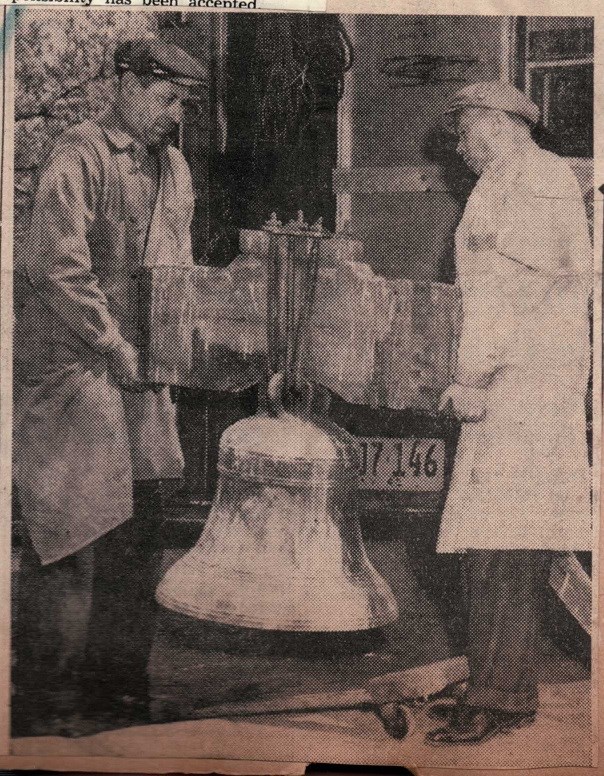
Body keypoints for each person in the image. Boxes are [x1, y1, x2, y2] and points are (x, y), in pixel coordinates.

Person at [12, 39, 207, 737]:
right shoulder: (80, 152)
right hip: (76, 370)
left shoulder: (175, 167)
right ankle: (39, 705)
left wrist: (185, 346)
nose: (175, 116)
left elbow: (176, 268)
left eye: (184, 103)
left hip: (141, 376)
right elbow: (54, 266)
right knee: (71, 537)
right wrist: (112, 341)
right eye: (165, 99)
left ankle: (119, 696)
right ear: (124, 84)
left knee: (142, 531)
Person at [427, 81, 592, 745]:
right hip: (529, 388)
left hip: (516, 391)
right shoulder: (534, 178)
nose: (460, 148)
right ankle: (503, 687)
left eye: (464, 132)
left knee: (497, 549)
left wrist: (471, 375)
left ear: (495, 123)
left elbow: (503, 291)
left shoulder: (524, 181)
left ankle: (497, 697)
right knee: (505, 548)